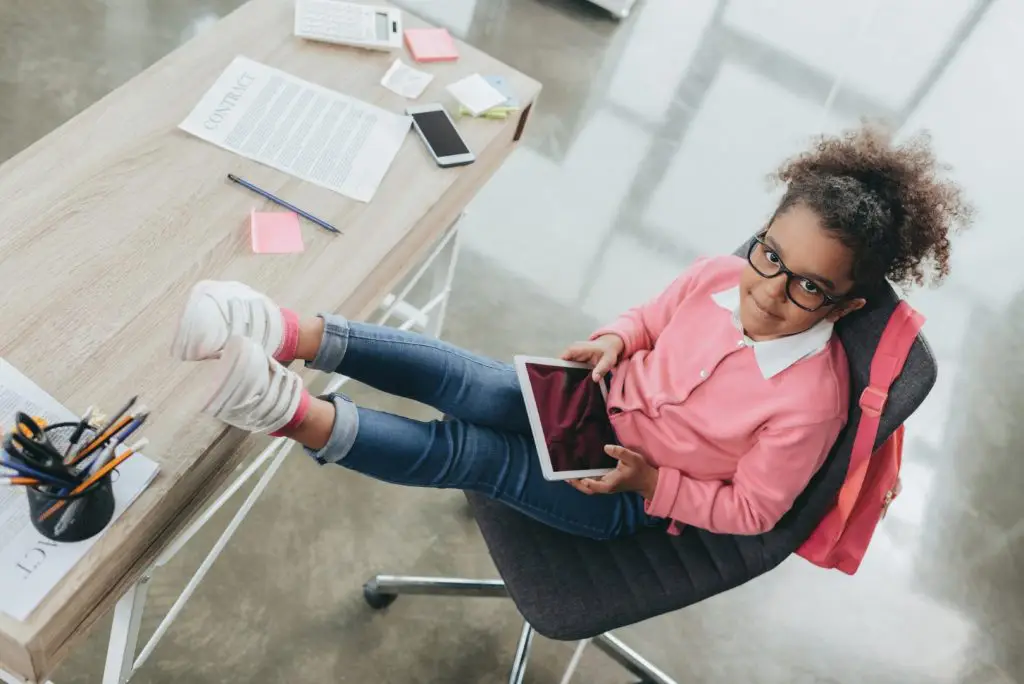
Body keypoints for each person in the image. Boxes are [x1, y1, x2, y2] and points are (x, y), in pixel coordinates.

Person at [172, 124, 971, 541]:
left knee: (470, 453)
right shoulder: (721, 276)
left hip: (625, 496)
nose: (767, 290)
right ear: (759, 235)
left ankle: (279, 410)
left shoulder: (810, 403)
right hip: (589, 402)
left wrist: (651, 485)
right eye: (768, 254)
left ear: (843, 307)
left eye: (807, 288)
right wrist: (618, 342)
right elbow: (651, 318)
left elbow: (755, 512)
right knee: (472, 382)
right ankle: (279, 327)